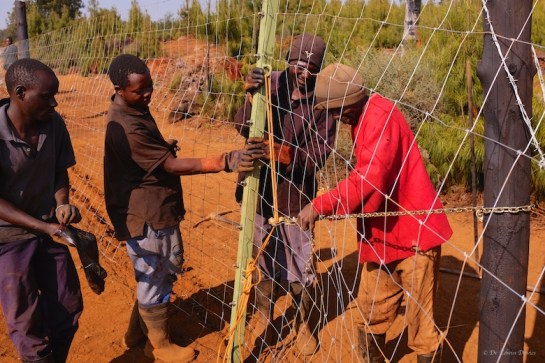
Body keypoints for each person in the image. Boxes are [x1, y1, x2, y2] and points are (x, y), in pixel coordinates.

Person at [103, 54, 265, 363]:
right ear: (119, 88)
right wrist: (224, 160)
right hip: (147, 214)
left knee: (150, 274)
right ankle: (158, 346)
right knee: (156, 274)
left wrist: (160, 148)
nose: (148, 94)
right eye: (140, 90)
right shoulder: (127, 125)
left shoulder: (130, 109)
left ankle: (137, 334)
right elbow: (171, 165)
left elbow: (155, 158)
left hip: (144, 207)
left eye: (150, 86)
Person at [297, 63, 453, 363]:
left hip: (413, 234)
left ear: (346, 105)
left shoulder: (379, 117)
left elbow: (370, 180)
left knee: (420, 326)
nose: (333, 118)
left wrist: (320, 205)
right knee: (370, 312)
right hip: (382, 235)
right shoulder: (363, 117)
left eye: (333, 111)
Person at [233, 34, 337, 356]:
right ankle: (264, 312)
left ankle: (305, 325)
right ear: (289, 61)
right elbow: (241, 126)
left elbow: (319, 156)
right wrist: (251, 99)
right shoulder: (270, 83)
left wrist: (282, 154)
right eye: (297, 64)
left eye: (310, 67)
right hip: (257, 190)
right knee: (264, 259)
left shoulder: (323, 103)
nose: (303, 72)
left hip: (295, 198)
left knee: (301, 267)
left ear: (318, 70)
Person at [0, 58, 83, 363]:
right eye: (47, 96)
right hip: (7, 239)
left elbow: (60, 170)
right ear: (20, 93)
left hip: (49, 230)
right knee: (25, 323)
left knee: (67, 306)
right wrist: (44, 226)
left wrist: (62, 204)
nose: (55, 102)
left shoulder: (53, 123)